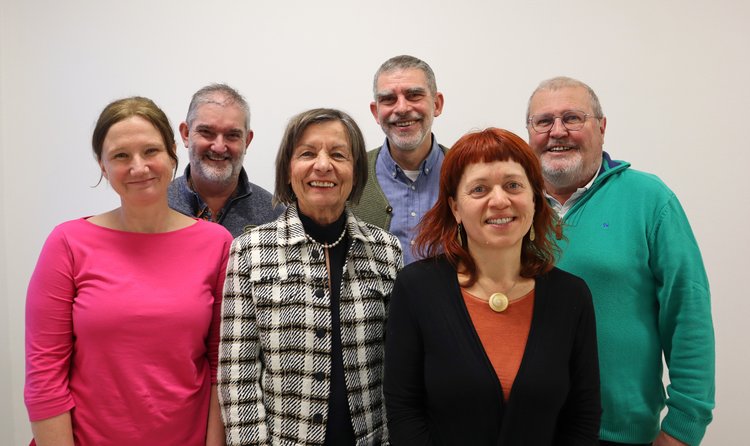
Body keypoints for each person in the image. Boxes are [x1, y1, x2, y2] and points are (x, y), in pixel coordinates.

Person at [24, 97, 232, 445]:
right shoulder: (68, 243)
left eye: (150, 151)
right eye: (121, 155)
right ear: (103, 166)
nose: (138, 167)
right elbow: (45, 377)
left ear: (171, 155)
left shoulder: (216, 243)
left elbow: (221, 370)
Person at [525, 76, 715, 446]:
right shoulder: (512, 207)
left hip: (618, 433)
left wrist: (683, 427)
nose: (557, 132)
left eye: (572, 118)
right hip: (526, 427)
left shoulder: (649, 200)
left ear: (602, 127)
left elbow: (687, 313)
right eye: (543, 121)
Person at [384, 128, 601, 445]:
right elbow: (404, 411)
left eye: (513, 185)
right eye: (479, 189)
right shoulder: (416, 289)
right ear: (456, 208)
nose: (499, 200)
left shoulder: (572, 297)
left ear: (534, 199)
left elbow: (582, 418)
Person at [218, 108, 403, 445]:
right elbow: (238, 376)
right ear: (288, 170)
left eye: (338, 155)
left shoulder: (386, 252)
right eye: (307, 153)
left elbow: (399, 371)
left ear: (355, 172)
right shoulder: (249, 252)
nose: (322, 165)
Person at [351, 55, 446, 264]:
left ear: (437, 104)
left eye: (414, 95)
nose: (401, 108)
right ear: (376, 112)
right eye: (388, 99)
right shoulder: (350, 176)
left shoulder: (468, 172)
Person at [168, 83, 282, 237]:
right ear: (186, 134)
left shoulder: (275, 216)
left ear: (247, 141)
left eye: (232, 135)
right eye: (207, 132)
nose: (219, 147)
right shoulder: (158, 206)